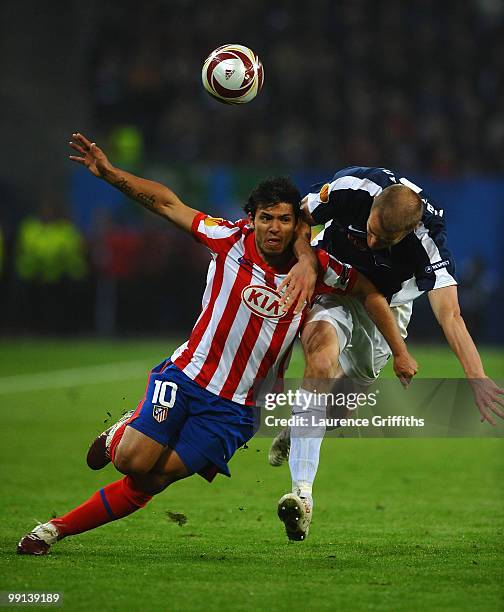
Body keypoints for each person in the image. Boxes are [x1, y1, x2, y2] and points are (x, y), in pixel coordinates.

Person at [17, 137, 417, 555]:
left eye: (284, 219)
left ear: (298, 225)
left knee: (151, 481)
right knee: (131, 461)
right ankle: (121, 433)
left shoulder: (317, 271)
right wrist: (112, 174)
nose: (275, 228)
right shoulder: (227, 239)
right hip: (186, 376)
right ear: (252, 218)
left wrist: (400, 352)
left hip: (235, 411)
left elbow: (371, 294)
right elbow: (167, 204)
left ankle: (53, 531)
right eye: (266, 218)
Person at [270, 165, 504, 541]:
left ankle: (299, 430)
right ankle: (303, 495)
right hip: (333, 285)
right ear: (373, 203)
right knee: (320, 359)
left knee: (343, 409)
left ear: (408, 232)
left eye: (384, 239)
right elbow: (300, 218)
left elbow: (451, 315)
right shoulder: (352, 188)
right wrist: (306, 260)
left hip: (387, 308)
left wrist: (476, 377)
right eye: (371, 229)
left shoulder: (428, 241)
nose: (372, 242)